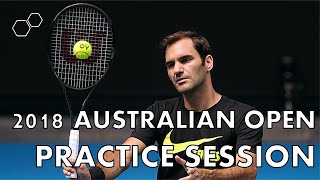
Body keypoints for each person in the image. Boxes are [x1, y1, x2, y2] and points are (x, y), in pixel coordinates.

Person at [63, 31, 263, 179]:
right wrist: (92, 175)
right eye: (170, 64)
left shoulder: (243, 116)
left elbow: (248, 171)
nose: (177, 70)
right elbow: (123, 154)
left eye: (185, 60)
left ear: (208, 62)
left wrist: (208, 175)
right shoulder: (160, 112)